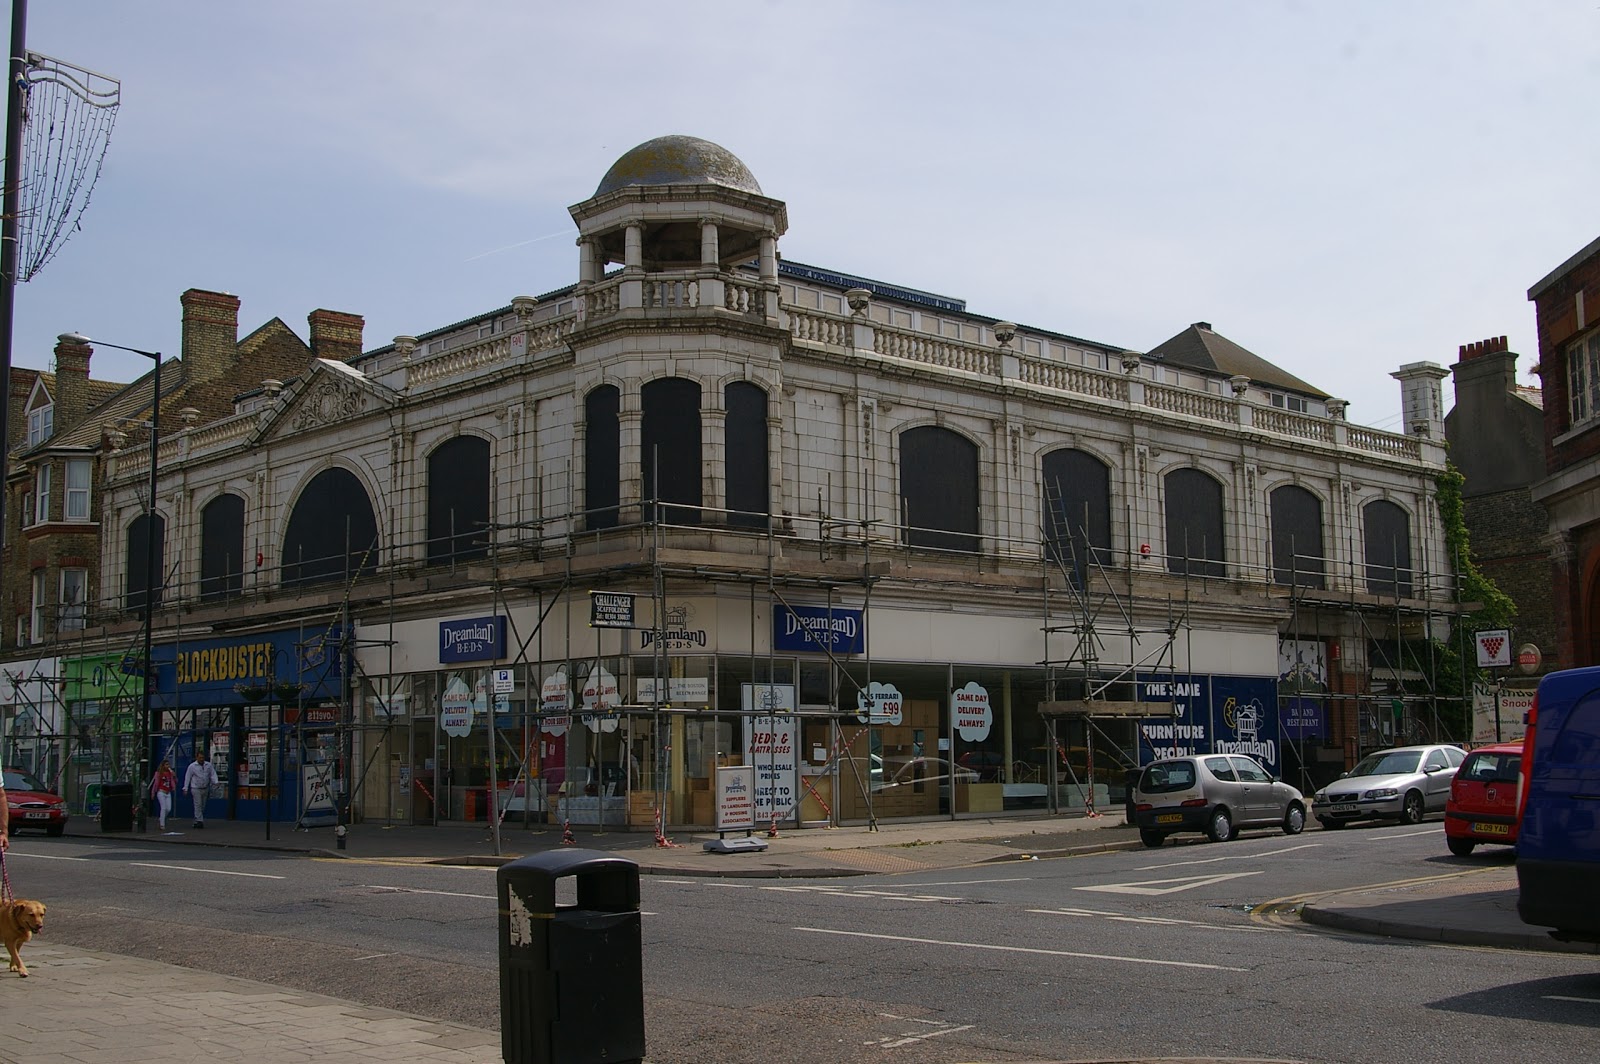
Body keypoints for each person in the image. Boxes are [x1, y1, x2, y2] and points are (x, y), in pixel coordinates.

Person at [184, 750, 219, 829]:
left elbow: (212, 774)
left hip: (205, 787)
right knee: (198, 804)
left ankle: (197, 820)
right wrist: (185, 788)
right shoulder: (192, 766)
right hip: (196, 788)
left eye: (203, 758)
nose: (201, 759)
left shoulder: (208, 765)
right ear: (196, 758)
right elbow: (188, 777)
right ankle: (199, 821)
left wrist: (215, 782)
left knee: (202, 805)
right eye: (200, 758)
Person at [150, 759, 177, 830]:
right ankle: (162, 824)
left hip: (168, 792)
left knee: (168, 808)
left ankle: (161, 818)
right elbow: (155, 784)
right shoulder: (158, 773)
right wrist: (153, 793)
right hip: (161, 792)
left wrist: (174, 776)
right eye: (166, 765)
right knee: (163, 807)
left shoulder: (170, 773)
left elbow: (175, 781)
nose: (168, 766)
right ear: (163, 766)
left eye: (168, 764)